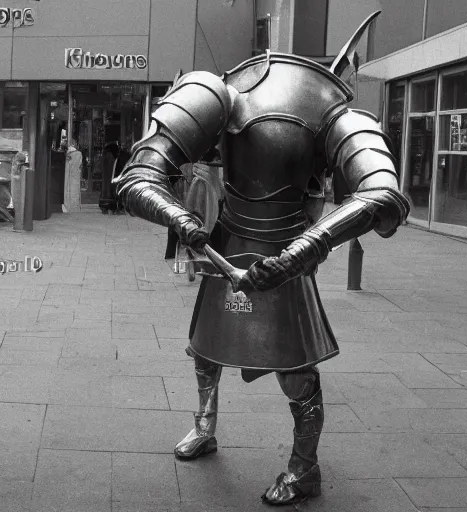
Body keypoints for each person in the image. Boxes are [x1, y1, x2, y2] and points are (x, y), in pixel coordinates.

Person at [112, 12, 408, 506]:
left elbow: (384, 197)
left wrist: (307, 247)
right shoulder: (219, 92)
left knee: (294, 368)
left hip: (287, 252)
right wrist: (179, 218)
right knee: (206, 347)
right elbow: (137, 177)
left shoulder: (334, 112)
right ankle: (205, 424)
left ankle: (304, 467)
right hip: (227, 242)